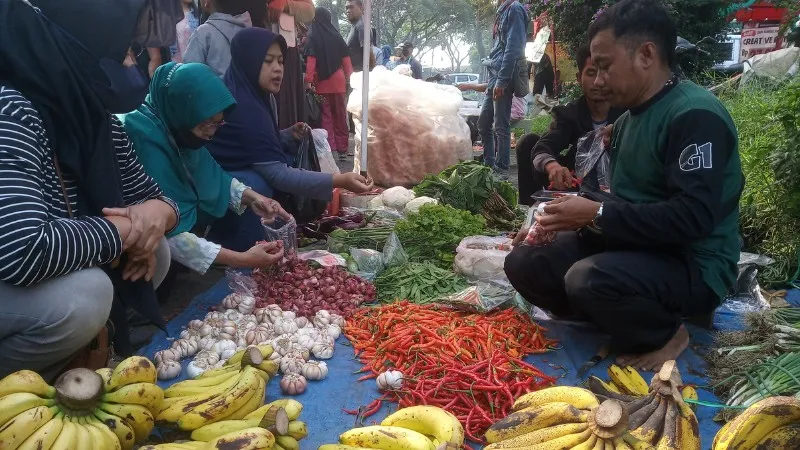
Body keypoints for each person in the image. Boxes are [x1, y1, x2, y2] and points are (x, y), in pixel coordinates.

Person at [504, 0, 743, 371]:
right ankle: (612, 317)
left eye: (605, 66)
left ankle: (667, 331)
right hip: (639, 247)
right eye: (593, 70)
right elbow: (628, 203)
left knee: (587, 280)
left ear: (646, 55)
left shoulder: (694, 116)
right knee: (526, 261)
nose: (598, 81)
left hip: (693, 262)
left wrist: (596, 214)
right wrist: (552, 219)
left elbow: (692, 218)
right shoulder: (629, 120)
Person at [0, 0, 180, 378]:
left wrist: (156, 215)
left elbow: (158, 199)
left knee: (157, 249)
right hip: (11, 271)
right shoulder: (12, 110)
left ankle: (85, 348)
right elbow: (22, 250)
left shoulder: (96, 120)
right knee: (86, 296)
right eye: (123, 50)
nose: (129, 63)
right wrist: (126, 229)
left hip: (42, 268)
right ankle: (22, 381)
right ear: (83, 43)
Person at [206, 28, 373, 251]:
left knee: (283, 156)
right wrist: (339, 180)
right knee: (258, 182)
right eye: (268, 61)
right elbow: (278, 174)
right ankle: (241, 248)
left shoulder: (259, 96)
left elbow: (250, 145)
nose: (277, 68)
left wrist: (284, 135)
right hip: (213, 185)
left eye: (280, 61)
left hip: (230, 177)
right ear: (248, 61)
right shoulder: (242, 107)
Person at [120, 62, 289, 277]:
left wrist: (254, 198)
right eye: (206, 123)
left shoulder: (175, 126)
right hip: (133, 253)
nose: (211, 133)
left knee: (253, 183)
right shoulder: (142, 139)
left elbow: (212, 176)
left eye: (218, 123)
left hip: (171, 245)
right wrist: (243, 259)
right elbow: (168, 234)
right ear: (182, 109)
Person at [515, 45, 625, 205]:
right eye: (591, 73)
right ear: (579, 78)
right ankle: (532, 209)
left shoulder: (627, 113)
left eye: (604, 73)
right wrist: (553, 167)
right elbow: (543, 146)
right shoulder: (570, 114)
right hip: (578, 184)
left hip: (619, 186)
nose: (598, 81)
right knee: (528, 142)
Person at [479, 0, 527, 178]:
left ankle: (501, 169)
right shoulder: (503, 11)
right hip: (495, 73)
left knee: (501, 125)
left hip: (503, 76)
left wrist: (502, 81)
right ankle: (489, 164)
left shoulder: (514, 9)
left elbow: (513, 48)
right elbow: (499, 47)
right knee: (483, 123)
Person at [304, 7, 354, 160]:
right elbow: (346, 60)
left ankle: (331, 149)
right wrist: (351, 78)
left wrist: (308, 81)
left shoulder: (313, 35)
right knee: (340, 115)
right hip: (338, 82)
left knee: (326, 116)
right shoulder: (336, 35)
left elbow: (311, 60)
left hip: (322, 83)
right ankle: (343, 149)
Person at [263, 0, 315, 129]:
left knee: (285, 108)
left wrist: (285, 4)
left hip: (286, 51)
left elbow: (309, 11)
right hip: (251, 45)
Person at [184, 0, 252, 78]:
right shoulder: (250, 29)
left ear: (207, 1)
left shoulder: (203, 33)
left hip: (212, 86)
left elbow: (189, 74)